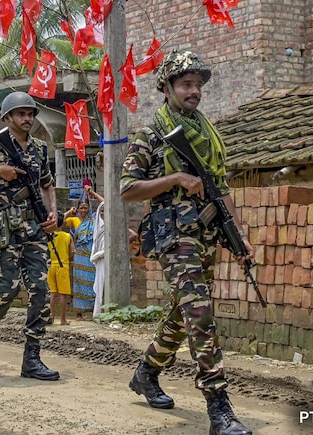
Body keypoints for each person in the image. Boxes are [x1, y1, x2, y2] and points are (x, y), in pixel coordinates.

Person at [120, 51, 252, 435]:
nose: (194, 92)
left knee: (183, 313)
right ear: (167, 88)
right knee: (199, 312)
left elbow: (221, 189)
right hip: (174, 235)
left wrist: (238, 237)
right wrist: (175, 180)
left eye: (197, 85)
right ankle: (219, 407)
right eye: (186, 84)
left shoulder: (208, 136)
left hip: (206, 234)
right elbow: (127, 188)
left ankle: (146, 372)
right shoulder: (152, 135)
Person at [0, 91, 59, 381]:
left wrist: (53, 213)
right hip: (5, 227)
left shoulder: (40, 149)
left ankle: (32, 357)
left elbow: (47, 185)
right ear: (7, 117)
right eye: (21, 114)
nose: (27, 118)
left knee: (41, 292)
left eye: (30, 114)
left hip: (33, 228)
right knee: (6, 290)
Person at [89, 202, 139, 317]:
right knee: (101, 286)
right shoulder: (98, 226)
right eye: (101, 210)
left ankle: (116, 313)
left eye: (106, 210)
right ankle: (99, 315)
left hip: (114, 259)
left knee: (115, 284)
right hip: (102, 260)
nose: (103, 213)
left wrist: (117, 247)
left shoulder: (116, 226)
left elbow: (133, 235)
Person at [71, 185, 103, 320]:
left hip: (91, 257)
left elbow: (105, 204)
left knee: (92, 283)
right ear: (77, 209)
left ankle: (93, 311)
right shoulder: (74, 221)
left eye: (85, 207)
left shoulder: (94, 219)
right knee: (79, 283)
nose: (83, 210)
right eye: (81, 208)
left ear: (89, 208)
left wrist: (92, 193)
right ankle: (79, 313)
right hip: (79, 257)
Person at [47, 223, 74, 326]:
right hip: (63, 266)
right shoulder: (67, 236)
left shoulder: (48, 236)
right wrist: (68, 257)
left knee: (52, 293)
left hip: (50, 266)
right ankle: (63, 320)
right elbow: (73, 251)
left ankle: (51, 318)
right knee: (62, 294)